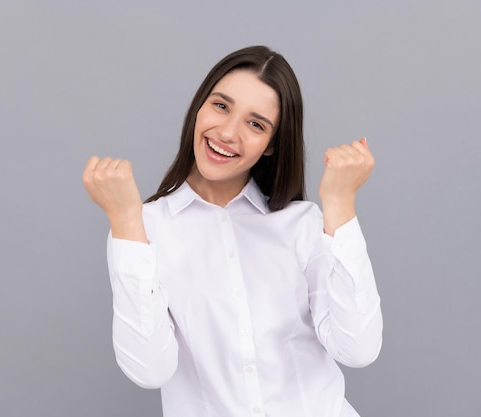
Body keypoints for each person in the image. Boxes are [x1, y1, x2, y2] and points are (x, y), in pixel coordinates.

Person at [83, 45, 383, 417]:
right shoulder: (142, 231)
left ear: (272, 143)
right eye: (221, 106)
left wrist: (340, 203)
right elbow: (149, 370)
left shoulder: (302, 224)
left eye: (255, 124)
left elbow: (358, 349)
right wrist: (126, 220)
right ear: (199, 107)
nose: (227, 133)